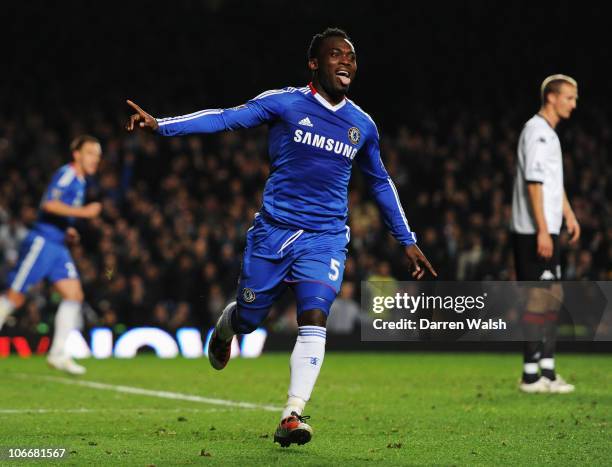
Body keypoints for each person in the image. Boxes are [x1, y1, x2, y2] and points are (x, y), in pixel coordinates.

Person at [126, 27, 436, 446]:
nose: (346, 61)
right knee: (251, 319)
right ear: (314, 63)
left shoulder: (362, 124)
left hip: (325, 237)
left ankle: (292, 413)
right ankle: (227, 326)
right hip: (274, 232)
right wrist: (161, 125)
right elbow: (224, 117)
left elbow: (379, 182)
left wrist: (407, 239)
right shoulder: (285, 103)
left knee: (314, 317)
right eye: (335, 55)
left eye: (351, 56)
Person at [0, 135, 103, 375]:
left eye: (97, 155)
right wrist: (84, 212)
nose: (95, 159)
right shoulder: (67, 174)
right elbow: (48, 205)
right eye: (90, 153)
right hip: (42, 242)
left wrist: (68, 230)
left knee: (74, 295)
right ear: (76, 154)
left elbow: (59, 212)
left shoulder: (81, 181)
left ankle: (58, 353)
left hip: (58, 245)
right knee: (15, 296)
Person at [511, 74, 580, 393]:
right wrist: (542, 230)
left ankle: (547, 372)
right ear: (551, 97)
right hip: (533, 230)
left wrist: (567, 214)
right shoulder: (536, 132)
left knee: (554, 297)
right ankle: (530, 375)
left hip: (548, 227)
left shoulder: (549, 134)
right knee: (539, 298)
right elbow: (534, 184)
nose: (573, 104)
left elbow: (553, 183)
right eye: (569, 97)